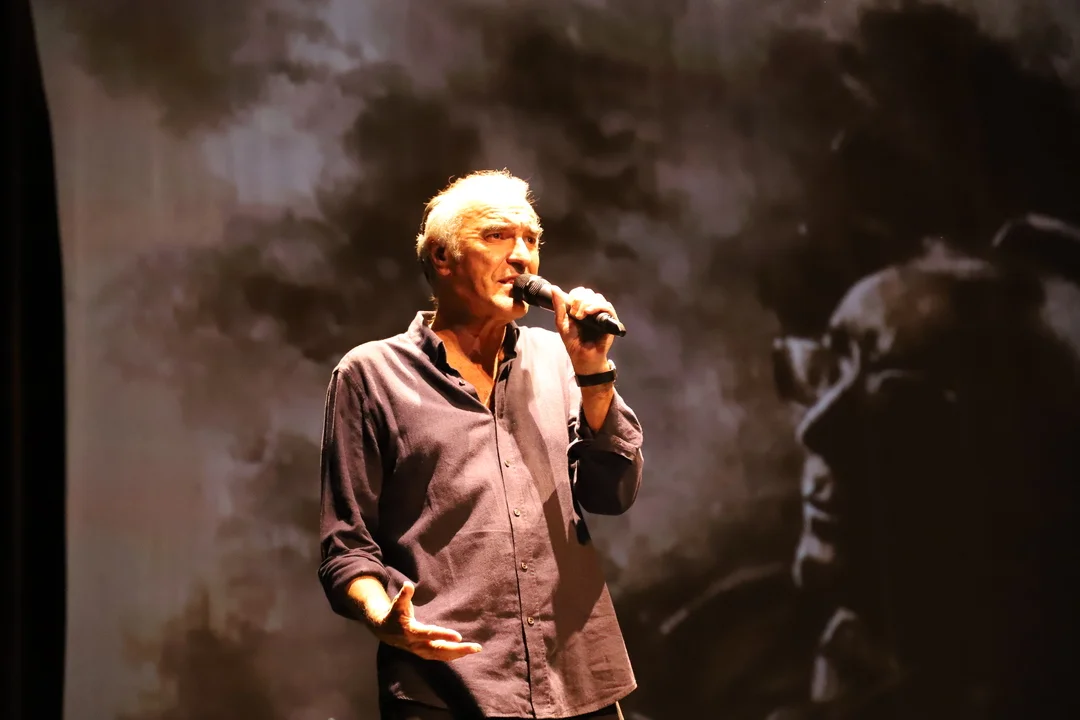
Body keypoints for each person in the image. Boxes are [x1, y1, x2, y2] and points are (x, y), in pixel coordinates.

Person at [318, 170, 645, 720]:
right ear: (442, 258)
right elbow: (346, 547)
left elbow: (611, 494)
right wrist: (385, 619)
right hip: (446, 688)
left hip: (577, 684)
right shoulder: (371, 374)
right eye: (497, 235)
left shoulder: (559, 357)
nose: (521, 256)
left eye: (531, 239)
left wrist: (593, 372)